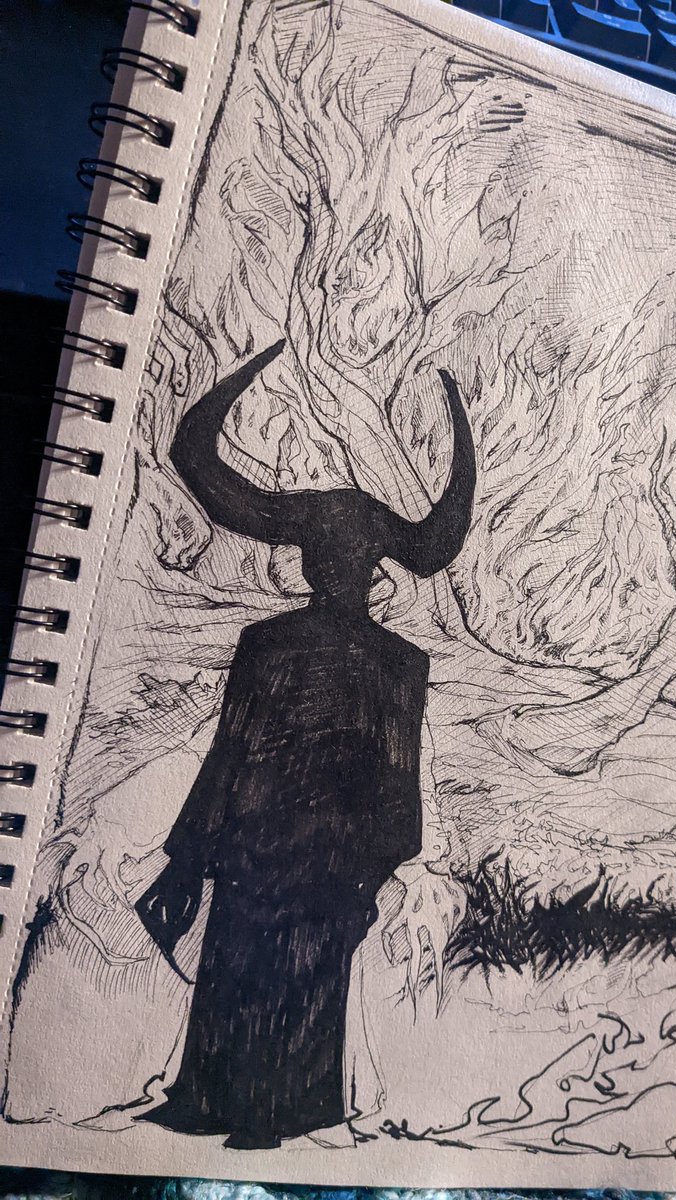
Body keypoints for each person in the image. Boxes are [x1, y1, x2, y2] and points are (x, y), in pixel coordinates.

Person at [135, 340, 476, 1149]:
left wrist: (193, 849)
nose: (338, 562)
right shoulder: (397, 661)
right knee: (292, 970)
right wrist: (384, 855)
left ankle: (241, 1108)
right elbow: (393, 773)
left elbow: (234, 753)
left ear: (317, 562)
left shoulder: (273, 643)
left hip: (273, 841)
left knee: (252, 961)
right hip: (321, 851)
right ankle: (241, 1104)